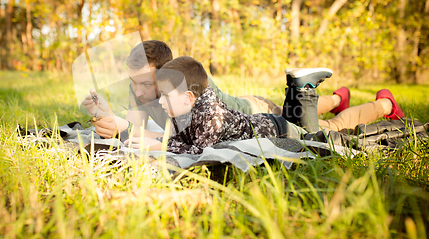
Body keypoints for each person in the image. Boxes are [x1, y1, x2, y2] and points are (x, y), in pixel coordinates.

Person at [82, 40, 384, 139]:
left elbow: (179, 136)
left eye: (146, 83)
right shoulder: (144, 87)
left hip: (253, 112)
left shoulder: (189, 93)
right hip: (253, 115)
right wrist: (109, 115)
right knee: (301, 110)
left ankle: (383, 105)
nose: (138, 90)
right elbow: (137, 120)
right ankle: (337, 98)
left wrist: (127, 128)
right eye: (133, 82)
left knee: (323, 128)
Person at [124, 57, 405, 154]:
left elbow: (199, 148)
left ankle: (382, 105)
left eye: (162, 95)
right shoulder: (188, 96)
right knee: (322, 123)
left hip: (278, 130)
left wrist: (158, 145)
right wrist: (149, 136)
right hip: (266, 120)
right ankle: (328, 96)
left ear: (187, 98)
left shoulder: (204, 110)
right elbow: (183, 135)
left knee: (331, 131)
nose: (157, 100)